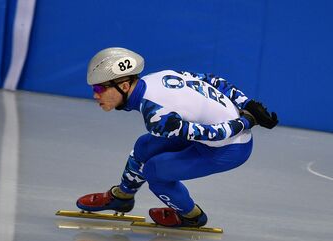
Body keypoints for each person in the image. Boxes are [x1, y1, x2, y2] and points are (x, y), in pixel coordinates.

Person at [77, 47, 278, 228]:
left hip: (230, 147)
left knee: (155, 171)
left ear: (124, 86)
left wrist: (247, 120)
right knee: (144, 146)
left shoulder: (156, 115)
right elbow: (211, 79)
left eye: (100, 89)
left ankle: (191, 216)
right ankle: (123, 196)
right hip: (218, 133)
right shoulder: (158, 76)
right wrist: (248, 104)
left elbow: (213, 134)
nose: (95, 95)